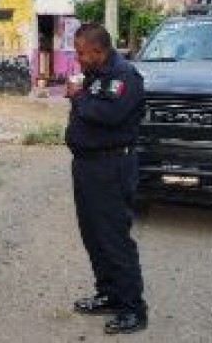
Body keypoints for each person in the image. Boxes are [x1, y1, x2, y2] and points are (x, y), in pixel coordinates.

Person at [65, 23, 148, 335]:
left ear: (99, 51)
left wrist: (76, 97)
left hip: (111, 166)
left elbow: (108, 116)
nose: (79, 58)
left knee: (114, 238)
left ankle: (133, 309)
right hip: (87, 165)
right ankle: (109, 294)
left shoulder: (123, 75)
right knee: (94, 235)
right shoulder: (97, 74)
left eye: (82, 53)